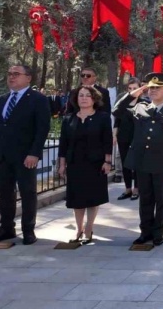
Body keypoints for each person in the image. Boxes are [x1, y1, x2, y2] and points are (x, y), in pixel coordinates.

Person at [114, 72, 163, 246]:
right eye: (151, 87)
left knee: (162, 199)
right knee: (145, 199)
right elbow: (116, 110)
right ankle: (145, 232)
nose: (152, 90)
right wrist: (137, 91)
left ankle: (158, 232)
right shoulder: (140, 108)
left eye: (157, 88)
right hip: (143, 161)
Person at [0, 65, 51, 246]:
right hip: (2, 156)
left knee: (28, 193)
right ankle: (6, 228)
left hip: (25, 157)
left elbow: (42, 129)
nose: (11, 77)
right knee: (5, 194)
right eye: (9, 74)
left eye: (16, 74)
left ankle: (28, 230)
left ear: (28, 78)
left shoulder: (38, 100)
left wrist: (34, 153)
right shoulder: (2, 99)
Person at [57, 86, 112, 243]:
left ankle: (89, 227)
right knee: (77, 198)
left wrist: (107, 161)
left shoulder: (102, 117)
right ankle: (78, 228)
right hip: (75, 163)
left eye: (88, 95)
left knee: (93, 197)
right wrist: (62, 164)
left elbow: (107, 141)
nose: (84, 98)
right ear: (76, 99)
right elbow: (63, 144)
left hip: (96, 163)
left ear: (94, 99)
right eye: (81, 95)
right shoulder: (69, 119)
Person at [113, 77, 144, 201]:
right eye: (130, 89)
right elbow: (117, 119)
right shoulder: (122, 103)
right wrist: (114, 135)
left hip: (137, 137)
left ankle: (137, 189)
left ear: (140, 90)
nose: (132, 91)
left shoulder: (144, 103)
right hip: (123, 137)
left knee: (136, 163)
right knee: (125, 163)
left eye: (135, 89)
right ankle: (127, 189)